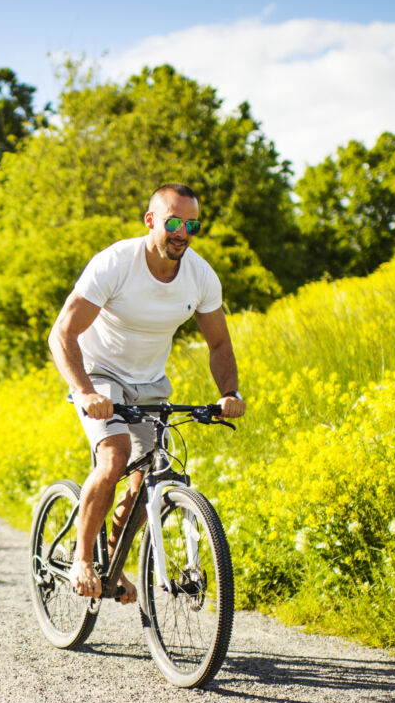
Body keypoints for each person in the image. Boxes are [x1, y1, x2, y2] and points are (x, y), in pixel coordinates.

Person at [47, 183, 246, 600]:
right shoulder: (117, 262)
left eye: (192, 224)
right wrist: (84, 392)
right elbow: (62, 333)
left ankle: (114, 562)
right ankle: (83, 559)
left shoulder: (200, 275)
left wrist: (229, 392)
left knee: (148, 477)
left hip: (150, 382)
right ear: (151, 220)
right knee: (115, 455)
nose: (183, 232)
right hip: (98, 373)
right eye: (173, 221)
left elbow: (220, 344)